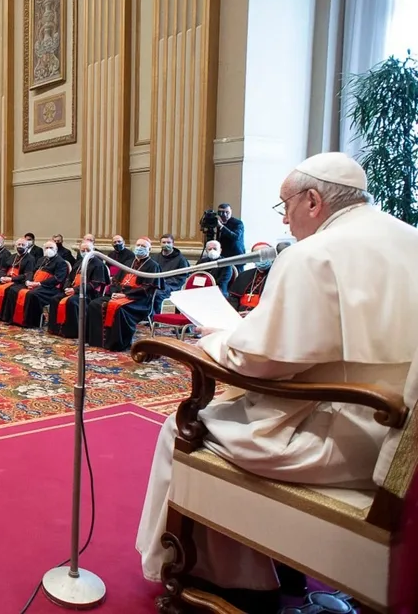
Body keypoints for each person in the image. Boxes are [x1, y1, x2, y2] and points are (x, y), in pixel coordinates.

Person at [136, 153, 418, 607]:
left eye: (285, 205)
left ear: (313, 200)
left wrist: (222, 336)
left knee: (184, 427)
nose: (283, 218)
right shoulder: (409, 238)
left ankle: (227, 581)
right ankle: (280, 566)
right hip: (399, 443)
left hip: (338, 437)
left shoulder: (314, 253)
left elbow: (257, 361)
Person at [85, 237, 162, 351]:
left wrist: (126, 295)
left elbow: (147, 289)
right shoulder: (128, 262)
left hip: (138, 300)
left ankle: (118, 344)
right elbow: (115, 280)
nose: (140, 248)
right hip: (119, 294)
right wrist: (114, 293)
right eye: (138, 245)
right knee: (94, 304)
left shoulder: (153, 266)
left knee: (120, 310)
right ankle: (98, 340)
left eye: (143, 246)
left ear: (149, 249)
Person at [48, 236, 111, 338]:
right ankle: (56, 329)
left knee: (71, 302)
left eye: (88, 250)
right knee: (55, 299)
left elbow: (94, 284)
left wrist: (75, 290)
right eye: (83, 250)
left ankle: (73, 331)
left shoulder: (98, 264)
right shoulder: (79, 262)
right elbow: (70, 278)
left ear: (93, 250)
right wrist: (67, 288)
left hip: (88, 294)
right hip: (74, 290)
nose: (85, 252)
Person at [2, 239, 69, 327]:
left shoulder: (61, 262)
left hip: (50, 288)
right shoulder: (41, 259)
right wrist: (28, 281)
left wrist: (38, 284)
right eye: (46, 248)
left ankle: (30, 322)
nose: (48, 249)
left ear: (56, 250)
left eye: (51, 248)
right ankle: (12, 319)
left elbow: (57, 279)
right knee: (13, 290)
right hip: (35, 283)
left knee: (32, 294)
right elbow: (31, 272)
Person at [0, 238, 36, 320]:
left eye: (23, 245)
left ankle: (3, 315)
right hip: (6, 278)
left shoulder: (30, 258)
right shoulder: (12, 256)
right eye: (19, 244)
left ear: (27, 246)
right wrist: (2, 277)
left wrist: (11, 279)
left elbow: (27, 274)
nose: (20, 246)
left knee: (8, 290)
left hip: (17, 281)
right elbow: (3, 269)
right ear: (15, 246)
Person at [227, 243, 273, 312]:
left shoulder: (278, 275)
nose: (261, 257)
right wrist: (234, 314)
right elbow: (233, 299)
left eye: (264, 253)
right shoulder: (243, 275)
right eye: (257, 254)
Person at [151, 234, 188, 312]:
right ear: (160, 244)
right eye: (164, 242)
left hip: (171, 286)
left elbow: (181, 278)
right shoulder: (155, 257)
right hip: (156, 284)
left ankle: (155, 317)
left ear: (173, 244)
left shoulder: (181, 259)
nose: (166, 244)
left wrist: (164, 282)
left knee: (157, 294)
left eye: (168, 242)